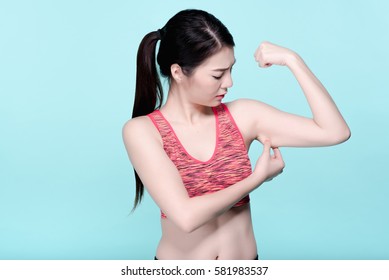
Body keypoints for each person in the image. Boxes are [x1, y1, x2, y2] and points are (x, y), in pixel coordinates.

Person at [122, 9, 350, 260]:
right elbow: (186, 217)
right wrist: (256, 179)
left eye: (231, 70)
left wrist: (293, 60)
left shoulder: (243, 115)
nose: (229, 82)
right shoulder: (143, 131)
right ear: (177, 72)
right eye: (218, 75)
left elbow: (335, 132)